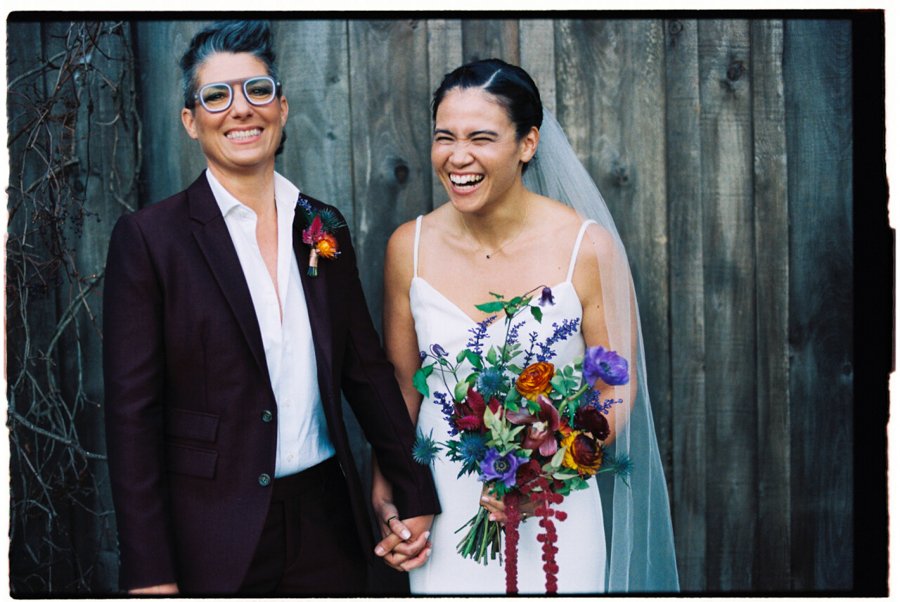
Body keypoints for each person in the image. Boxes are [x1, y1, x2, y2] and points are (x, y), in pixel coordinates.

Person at [102, 20, 438, 595]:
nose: (240, 110)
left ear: (281, 107)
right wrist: (150, 571)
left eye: (258, 90)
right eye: (216, 95)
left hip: (326, 521)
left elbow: (365, 371)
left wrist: (412, 491)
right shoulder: (150, 240)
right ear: (191, 120)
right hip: (210, 531)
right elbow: (132, 417)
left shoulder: (321, 224)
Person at [372, 58, 679, 593]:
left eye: (481, 138)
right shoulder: (408, 246)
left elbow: (614, 381)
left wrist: (552, 471)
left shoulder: (587, 248)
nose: (457, 156)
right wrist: (391, 491)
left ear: (528, 143)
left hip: (554, 506)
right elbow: (402, 386)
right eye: (445, 137)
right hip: (443, 503)